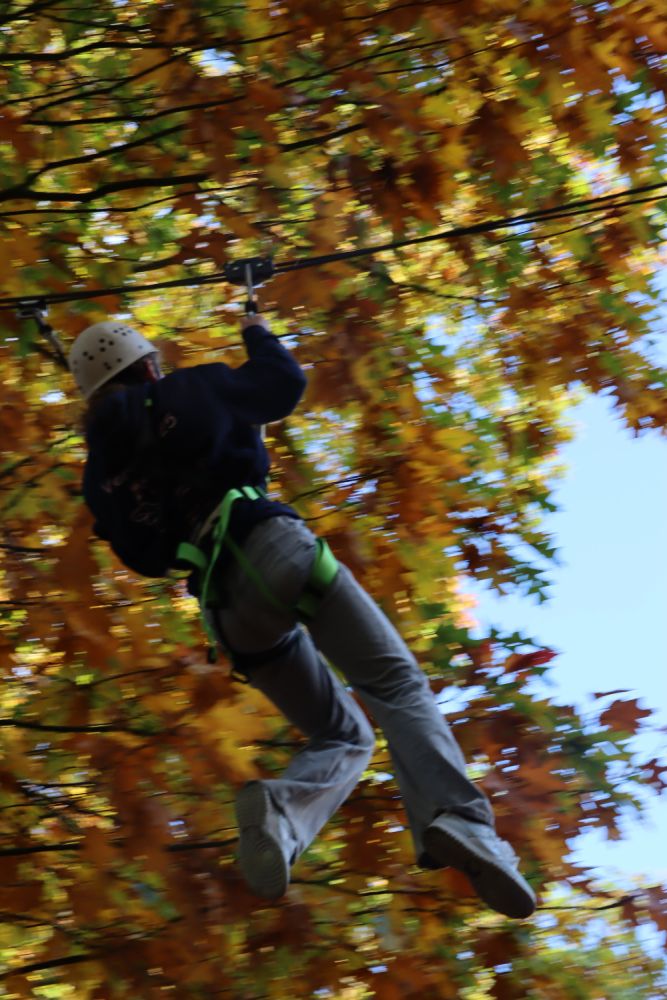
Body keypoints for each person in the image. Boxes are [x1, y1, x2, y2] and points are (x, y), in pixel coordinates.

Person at [70, 312, 537, 919]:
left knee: (344, 735)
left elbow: (145, 558)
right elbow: (283, 385)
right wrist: (257, 332)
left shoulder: (100, 478)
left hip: (228, 609)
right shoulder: (187, 389)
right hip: (274, 550)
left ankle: (283, 814)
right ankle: (461, 818)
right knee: (394, 683)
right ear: (149, 365)